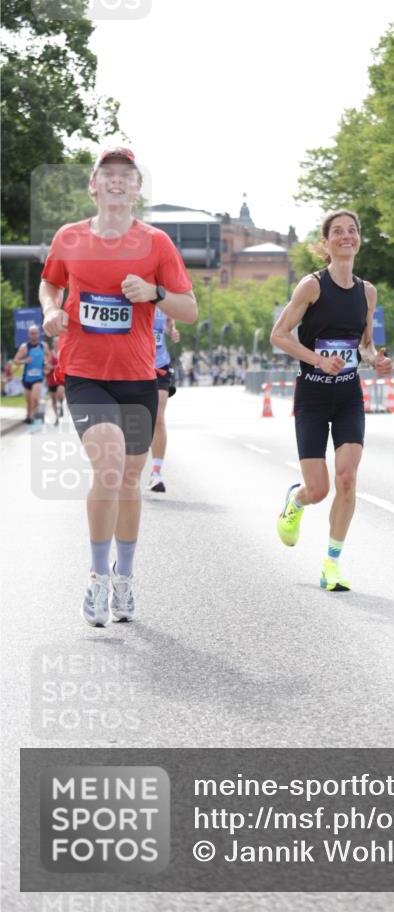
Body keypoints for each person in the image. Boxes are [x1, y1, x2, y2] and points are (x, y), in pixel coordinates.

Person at [39, 146, 197, 626]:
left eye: (125, 176)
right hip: (85, 374)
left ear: (137, 188)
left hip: (137, 378)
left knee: (128, 480)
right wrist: (50, 310)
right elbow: (51, 284)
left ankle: (124, 578)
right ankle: (96, 578)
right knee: (108, 466)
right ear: (92, 185)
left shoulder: (156, 244)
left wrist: (155, 293)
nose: (115, 181)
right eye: (106, 174)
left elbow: (189, 309)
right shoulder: (69, 238)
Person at [270, 209, 392, 592]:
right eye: (337, 232)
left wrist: (376, 360)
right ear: (325, 243)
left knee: (347, 477)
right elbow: (280, 335)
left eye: (352, 230)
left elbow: (364, 345)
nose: (346, 236)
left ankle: (332, 564)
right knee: (319, 490)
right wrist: (319, 360)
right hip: (312, 396)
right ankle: (296, 500)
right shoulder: (311, 286)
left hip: (348, 398)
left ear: (359, 239)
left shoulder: (367, 292)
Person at [148, 307, 180, 493]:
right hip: (134, 364)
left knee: (158, 417)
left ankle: (156, 473)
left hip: (159, 365)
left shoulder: (164, 296)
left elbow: (169, 323)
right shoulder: (135, 292)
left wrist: (172, 331)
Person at [13, 324, 50, 424]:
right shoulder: (25, 347)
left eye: (35, 333)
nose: (34, 335)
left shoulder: (44, 346)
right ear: (29, 335)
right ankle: (28, 417)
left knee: (35, 398)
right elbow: (15, 360)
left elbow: (48, 357)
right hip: (26, 378)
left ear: (38, 334)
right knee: (29, 401)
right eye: (32, 333)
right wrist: (25, 361)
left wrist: (46, 364)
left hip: (38, 377)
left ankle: (34, 416)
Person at [46, 337, 66, 424]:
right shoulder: (50, 354)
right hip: (51, 379)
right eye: (55, 342)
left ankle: (61, 405)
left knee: (59, 394)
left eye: (58, 342)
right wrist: (49, 366)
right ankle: (57, 417)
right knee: (53, 400)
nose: (57, 344)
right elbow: (46, 364)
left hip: (60, 379)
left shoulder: (63, 352)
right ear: (53, 344)